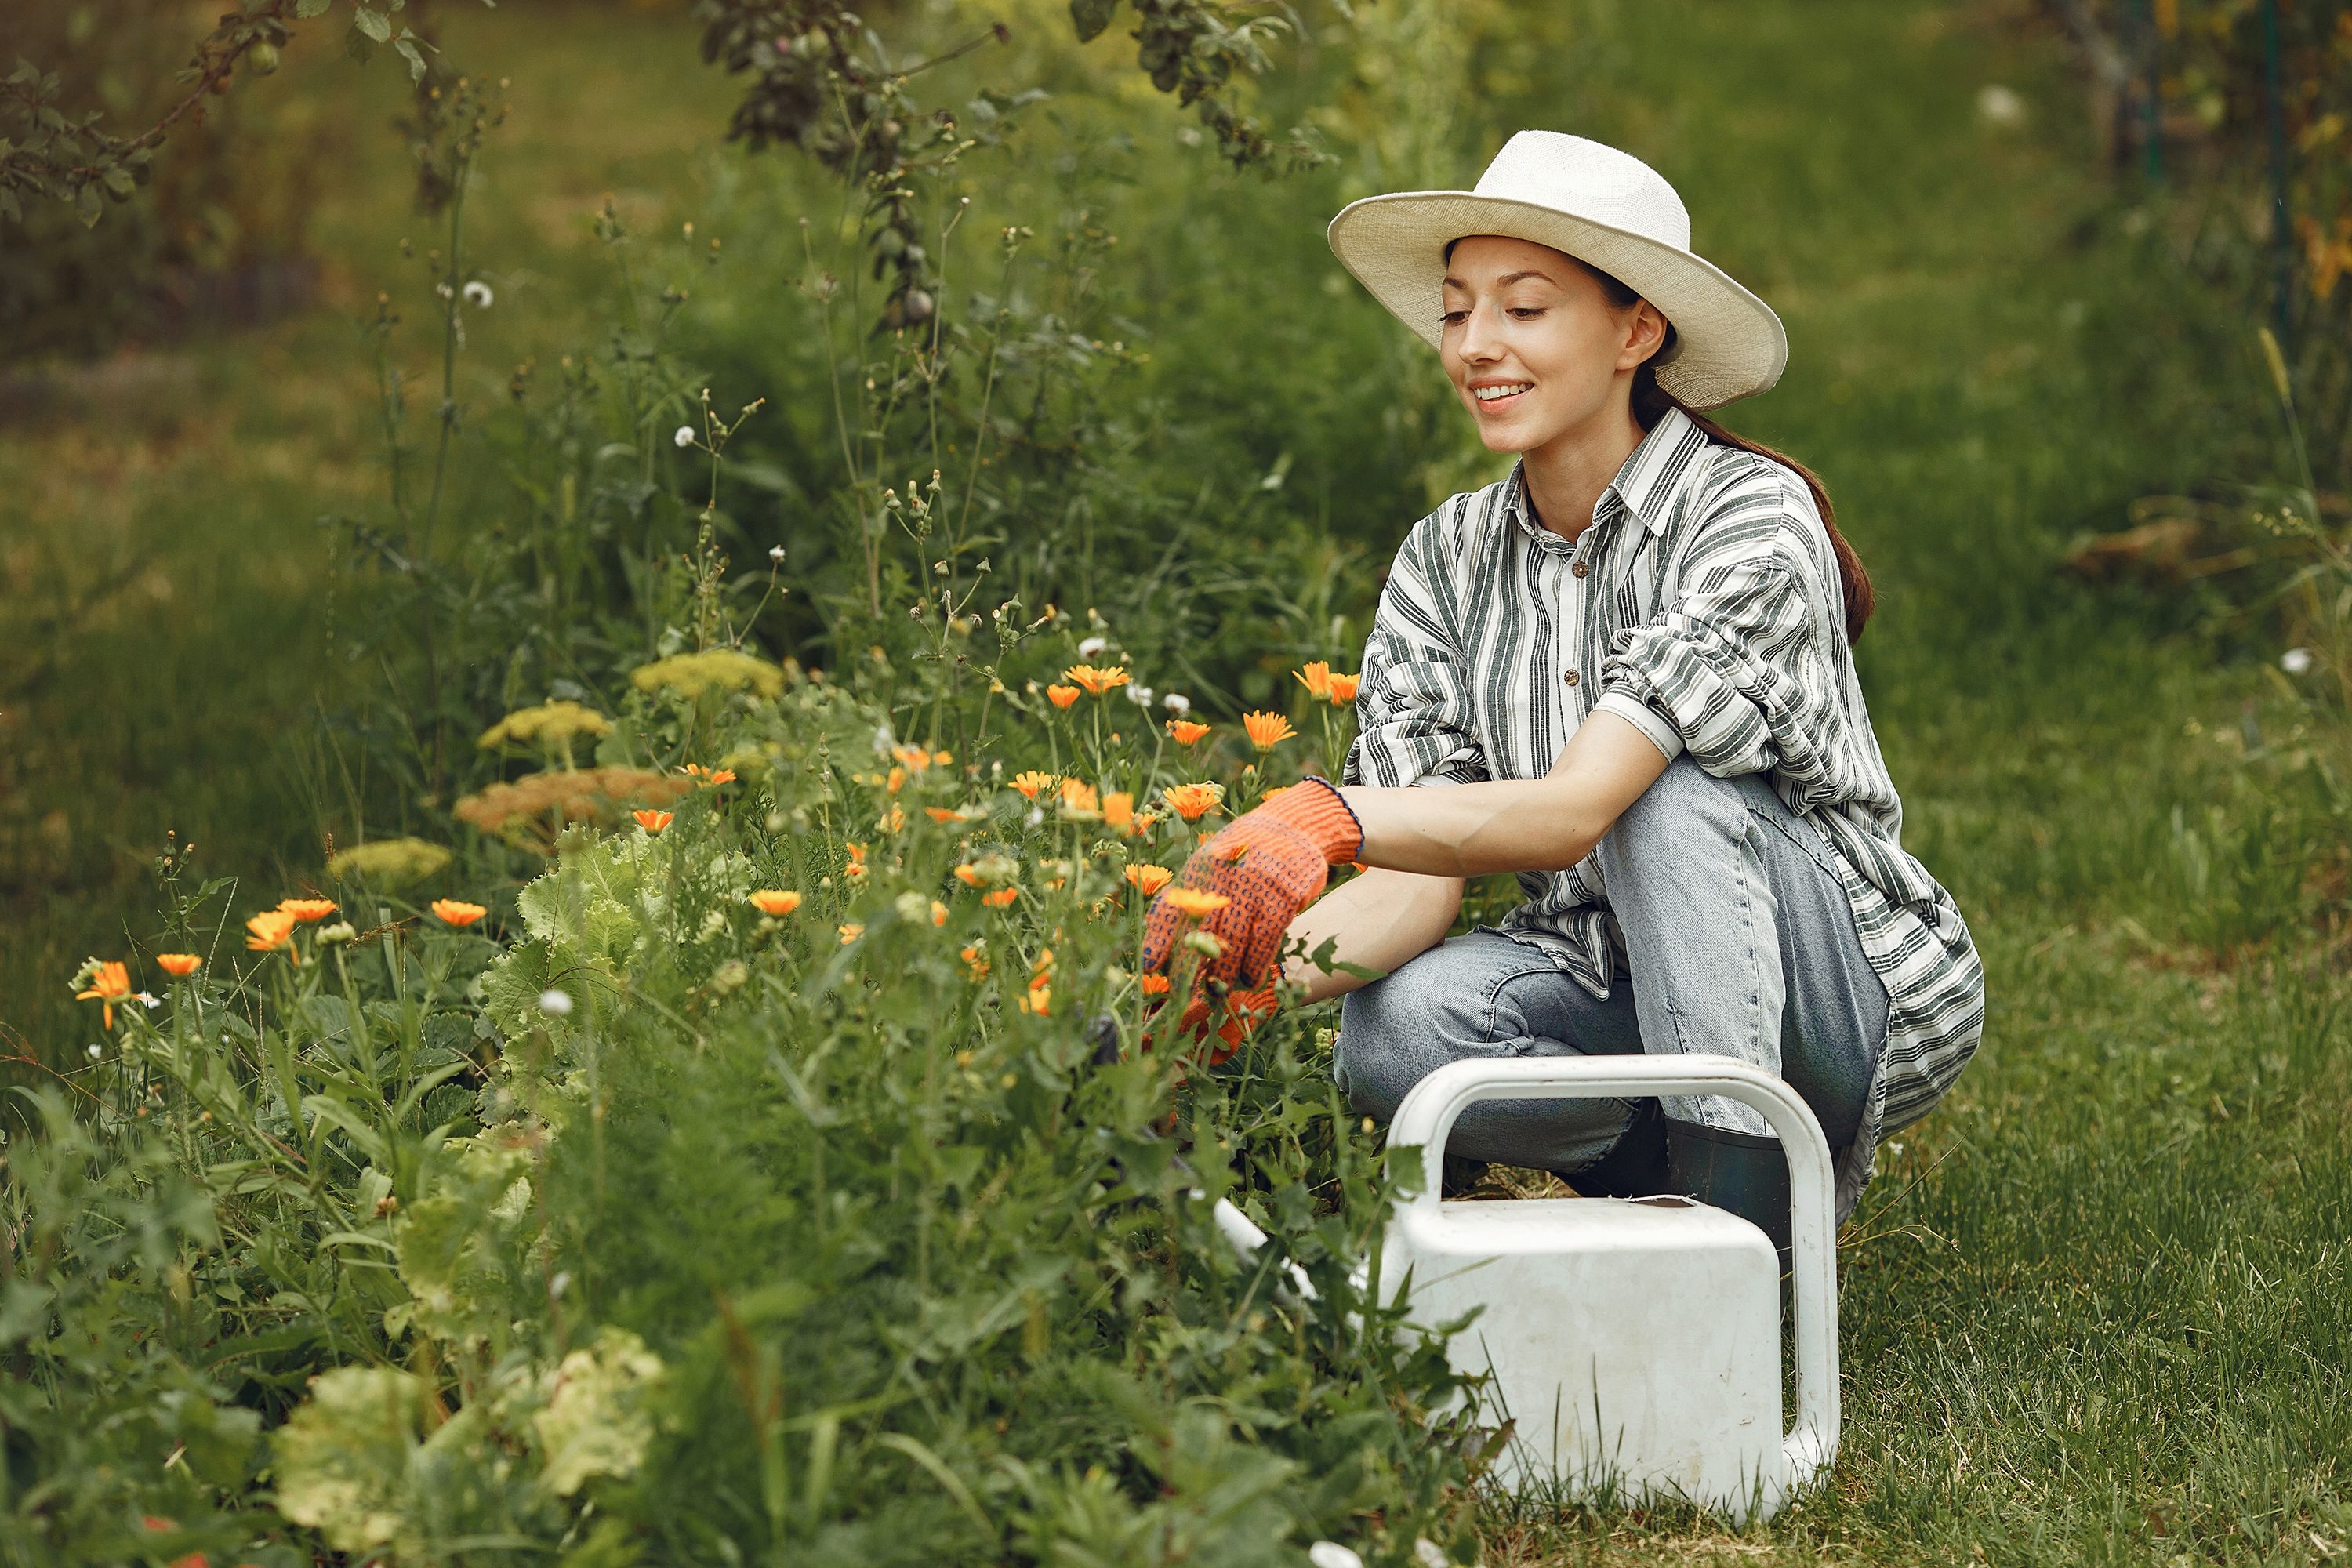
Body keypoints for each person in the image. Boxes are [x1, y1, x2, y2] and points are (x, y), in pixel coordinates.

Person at [1141, 131, 1984, 1232]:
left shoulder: (1749, 518)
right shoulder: (1445, 559)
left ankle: (1727, 1261)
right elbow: (1413, 886)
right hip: (1614, 987)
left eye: (1524, 308)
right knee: (1399, 1031)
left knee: (1660, 792)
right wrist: (1219, 982)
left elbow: (1581, 807)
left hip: (1839, 992)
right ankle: (1690, 1187)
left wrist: (1324, 816)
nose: (1474, 346)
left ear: (1637, 329)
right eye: (1456, 310)